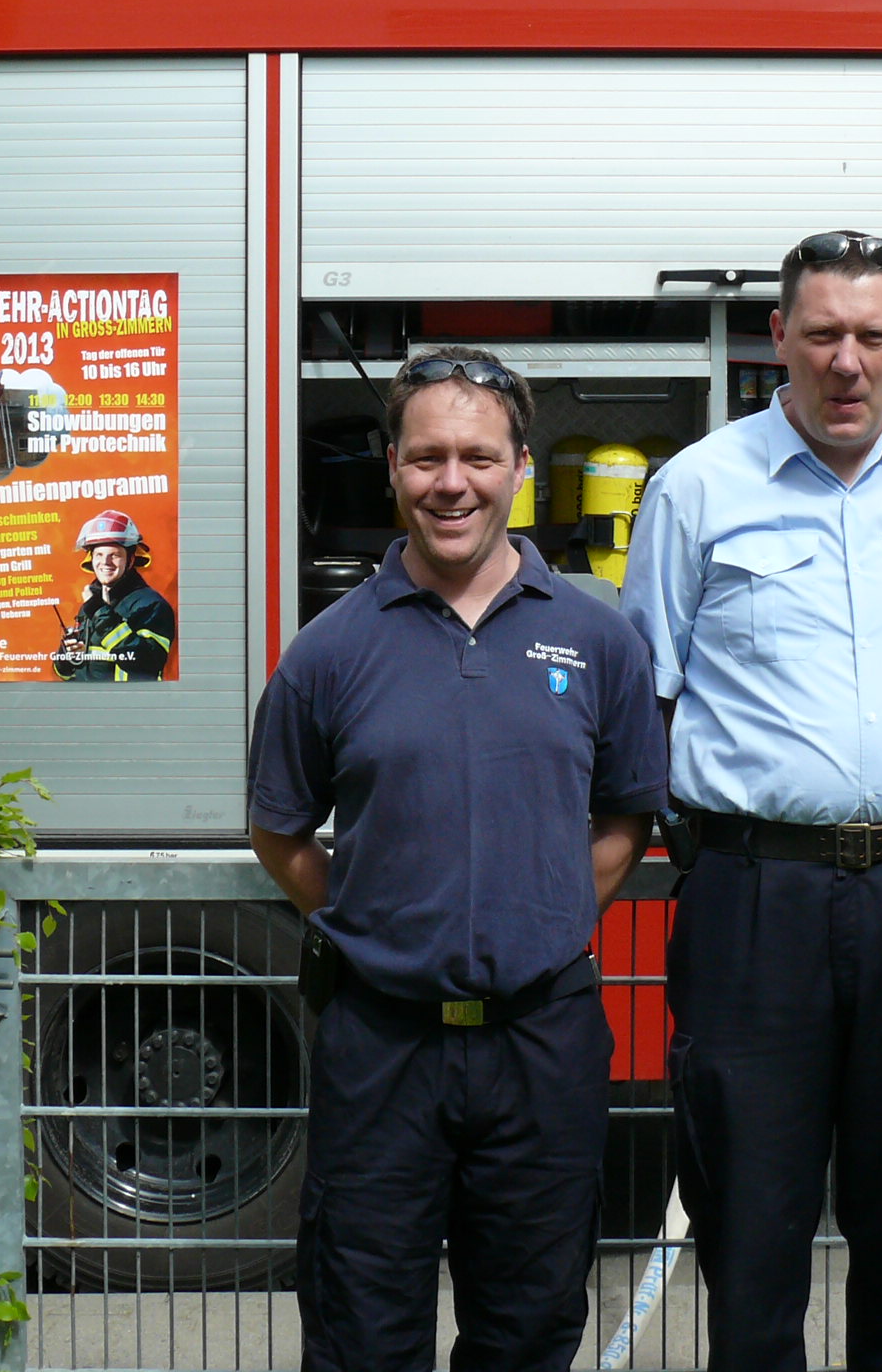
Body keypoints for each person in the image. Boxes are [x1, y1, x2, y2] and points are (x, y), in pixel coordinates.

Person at [621, 234, 882, 1372]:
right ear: (779, 342)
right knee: (748, 1227)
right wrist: (712, 851)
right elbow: (642, 702)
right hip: (757, 897)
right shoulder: (696, 487)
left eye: (870, 335)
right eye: (821, 334)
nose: (845, 362)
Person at [247, 346, 668, 1372]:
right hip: (379, 1043)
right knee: (360, 1329)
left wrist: (556, 912)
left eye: (477, 456)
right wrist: (377, 917)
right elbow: (279, 829)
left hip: (543, 1038)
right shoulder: (328, 650)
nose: (452, 482)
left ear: (519, 465)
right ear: (391, 466)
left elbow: (626, 816)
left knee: (526, 1327)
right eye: (427, 456)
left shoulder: (597, 638)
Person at [52, 509, 175, 681]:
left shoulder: (151, 605)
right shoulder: (90, 605)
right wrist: (68, 656)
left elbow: (147, 664)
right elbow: (65, 674)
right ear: (91, 559)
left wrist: (99, 613)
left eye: (114, 555)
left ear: (130, 560)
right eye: (99, 555)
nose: (105, 562)